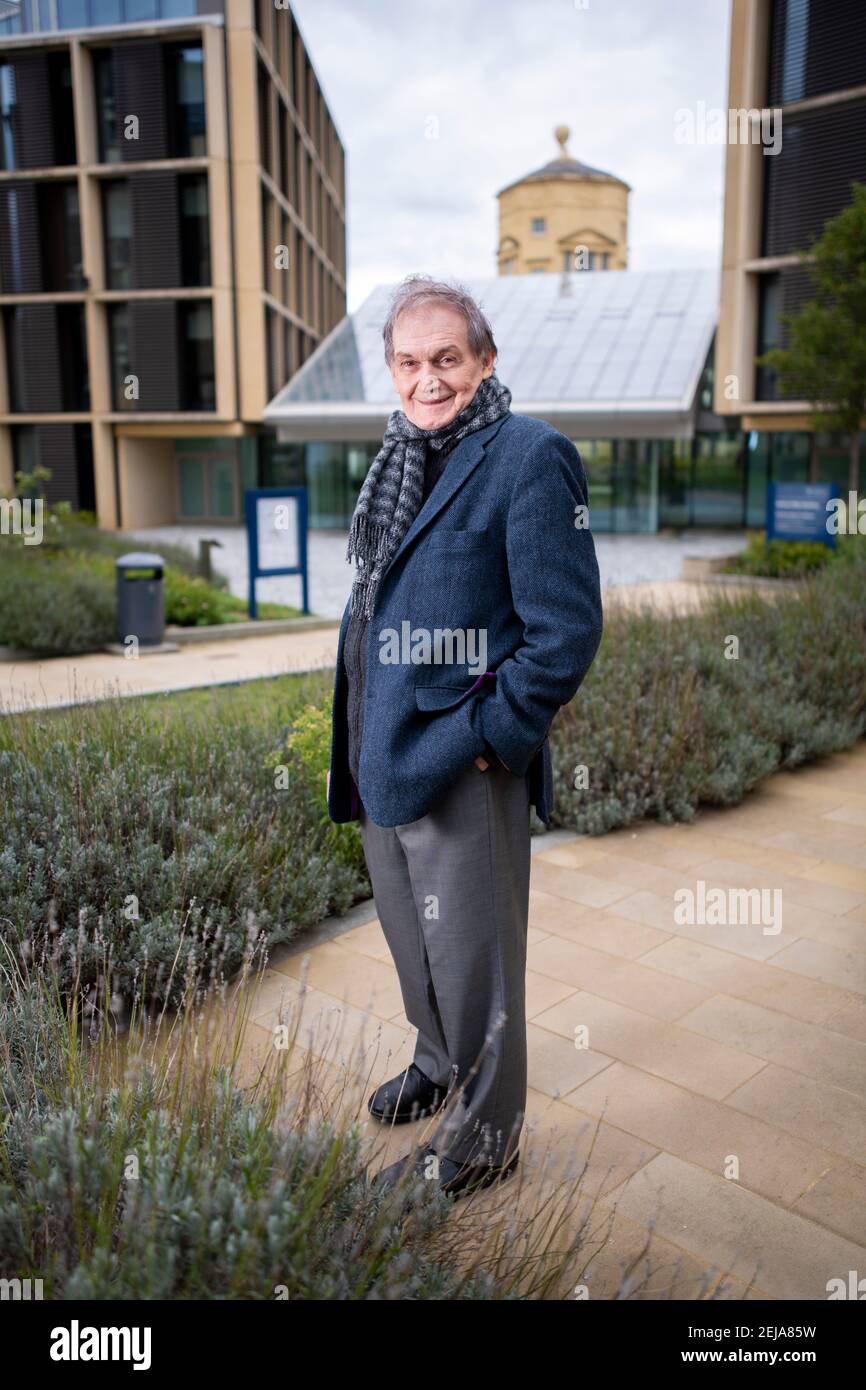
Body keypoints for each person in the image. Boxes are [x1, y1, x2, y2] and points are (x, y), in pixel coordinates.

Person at [326, 273, 603, 1200]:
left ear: (483, 362)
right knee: (415, 942)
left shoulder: (530, 456)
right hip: (384, 751)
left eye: (447, 358)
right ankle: (438, 1061)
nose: (427, 379)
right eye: (409, 362)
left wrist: (489, 738)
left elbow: (563, 633)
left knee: (474, 959)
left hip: (461, 762)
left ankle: (486, 1139)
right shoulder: (400, 457)